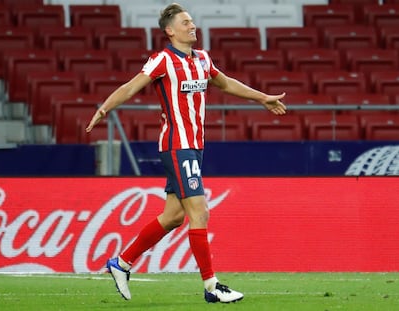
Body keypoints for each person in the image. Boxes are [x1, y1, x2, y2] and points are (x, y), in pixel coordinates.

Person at [86, 2, 286, 304]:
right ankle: (211, 285)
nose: (192, 26)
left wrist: (262, 98)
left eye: (192, 21)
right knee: (200, 211)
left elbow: (226, 83)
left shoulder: (203, 60)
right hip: (176, 145)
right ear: (170, 31)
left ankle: (122, 263)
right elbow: (130, 87)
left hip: (194, 146)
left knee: (174, 216)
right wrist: (104, 108)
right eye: (185, 22)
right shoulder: (162, 61)